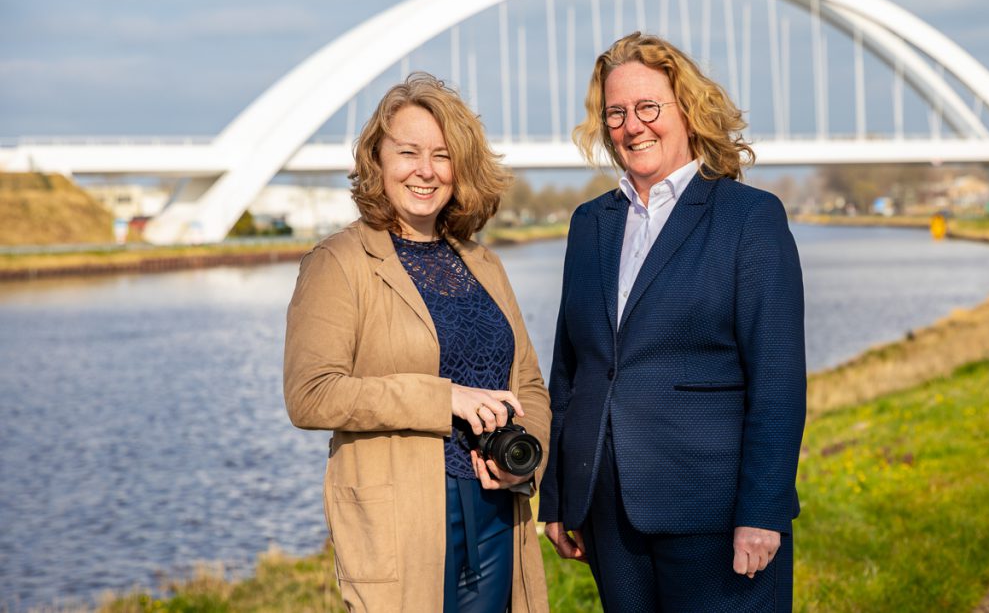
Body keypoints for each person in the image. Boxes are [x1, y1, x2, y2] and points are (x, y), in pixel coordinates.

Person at [539, 32, 806, 612]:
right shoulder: (590, 224)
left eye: (648, 108)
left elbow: (778, 381)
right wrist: (558, 497)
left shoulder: (749, 218)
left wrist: (762, 511)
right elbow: (573, 370)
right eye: (616, 112)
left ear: (686, 109)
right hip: (609, 511)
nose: (633, 126)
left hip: (713, 512)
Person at [284, 72, 551, 613]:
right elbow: (310, 395)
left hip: (498, 507)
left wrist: (526, 461)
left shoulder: (483, 262)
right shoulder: (338, 262)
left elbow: (529, 385)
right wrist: (442, 397)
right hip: (400, 517)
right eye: (408, 152)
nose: (425, 171)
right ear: (377, 162)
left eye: (442, 155)